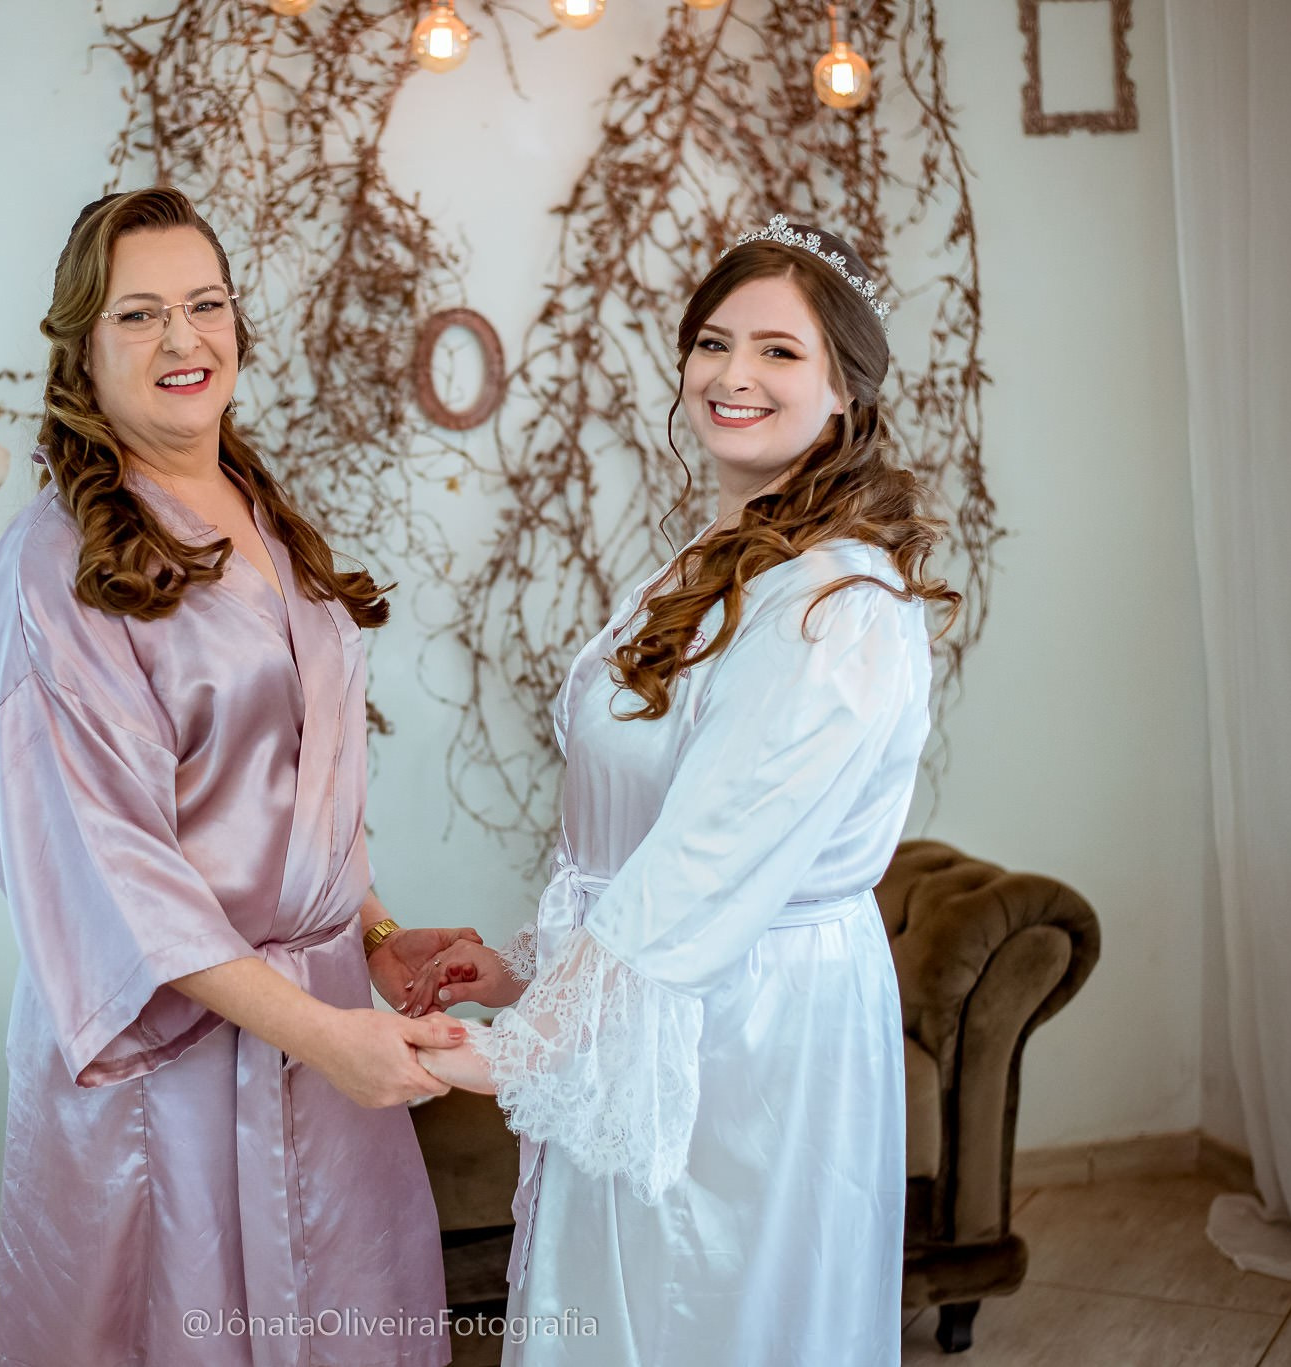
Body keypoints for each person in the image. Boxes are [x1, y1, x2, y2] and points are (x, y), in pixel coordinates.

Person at [412, 217, 957, 1367]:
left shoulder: (833, 603)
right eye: (712, 343)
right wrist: (527, 979)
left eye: (776, 351)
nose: (732, 375)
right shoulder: (708, 559)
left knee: (707, 1317)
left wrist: (526, 1044)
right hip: (645, 1003)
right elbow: (638, 838)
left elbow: (707, 855)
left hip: (754, 1030)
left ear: (844, 392)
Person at [0, 186, 472, 1367]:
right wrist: (322, 1032)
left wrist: (376, 932)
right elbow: (110, 871)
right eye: (139, 315)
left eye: (206, 304)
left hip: (322, 1026)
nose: (184, 340)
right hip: (174, 1075)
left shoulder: (255, 508)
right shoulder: (57, 565)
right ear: (83, 349)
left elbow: (300, 776)